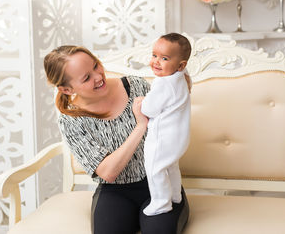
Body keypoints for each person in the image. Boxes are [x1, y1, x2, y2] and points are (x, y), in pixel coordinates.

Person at [43, 45, 189, 234]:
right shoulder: (71, 120)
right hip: (115, 191)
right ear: (66, 89)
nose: (98, 76)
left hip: (159, 183)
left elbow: (169, 121)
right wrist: (140, 126)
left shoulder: (136, 86)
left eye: (96, 65)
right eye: (86, 78)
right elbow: (108, 173)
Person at [134, 33, 191, 216]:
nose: (156, 62)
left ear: (180, 64)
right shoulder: (181, 77)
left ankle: (160, 202)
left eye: (164, 58)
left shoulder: (163, 84)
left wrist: (141, 102)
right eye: (154, 55)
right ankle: (175, 195)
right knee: (171, 166)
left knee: (155, 168)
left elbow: (149, 110)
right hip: (178, 137)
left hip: (162, 138)